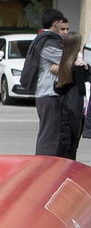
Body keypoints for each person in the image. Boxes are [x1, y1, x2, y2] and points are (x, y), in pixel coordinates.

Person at [20, 8, 69, 156]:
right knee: (49, 135)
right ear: (55, 23)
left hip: (49, 94)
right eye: (62, 26)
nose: (65, 31)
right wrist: (64, 65)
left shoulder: (45, 39)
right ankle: (43, 167)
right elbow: (70, 59)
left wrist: (60, 67)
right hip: (48, 94)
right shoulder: (48, 43)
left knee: (52, 133)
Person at [56, 31, 88, 161]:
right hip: (76, 108)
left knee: (65, 142)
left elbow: (60, 89)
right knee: (73, 144)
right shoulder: (78, 67)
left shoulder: (64, 63)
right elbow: (82, 89)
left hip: (65, 108)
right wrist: (86, 70)